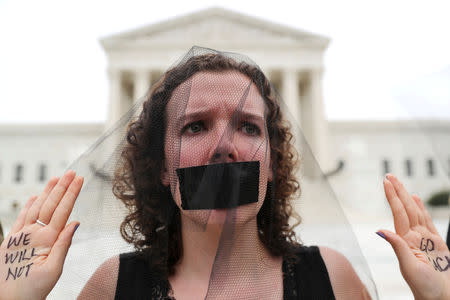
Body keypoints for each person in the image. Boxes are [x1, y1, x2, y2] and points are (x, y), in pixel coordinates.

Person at [1, 49, 449, 300]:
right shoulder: (112, 288)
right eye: (195, 126)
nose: (223, 146)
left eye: (248, 126)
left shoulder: (332, 279)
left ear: (271, 165)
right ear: (160, 167)